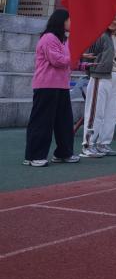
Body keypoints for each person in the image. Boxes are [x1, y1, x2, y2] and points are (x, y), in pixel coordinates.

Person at [23, 9, 79, 167]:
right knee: (42, 122)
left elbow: (67, 62)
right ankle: (34, 156)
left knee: (64, 122)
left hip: (61, 86)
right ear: (62, 21)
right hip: (46, 86)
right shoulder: (49, 38)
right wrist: (75, 58)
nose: (71, 23)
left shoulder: (63, 40)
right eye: (69, 20)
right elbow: (57, 60)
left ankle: (64, 153)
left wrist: (84, 63)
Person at [80, 11, 116, 158]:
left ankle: (103, 143)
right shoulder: (99, 35)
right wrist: (93, 70)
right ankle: (88, 145)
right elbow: (86, 55)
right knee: (95, 112)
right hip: (100, 76)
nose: (113, 21)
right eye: (110, 18)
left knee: (112, 113)